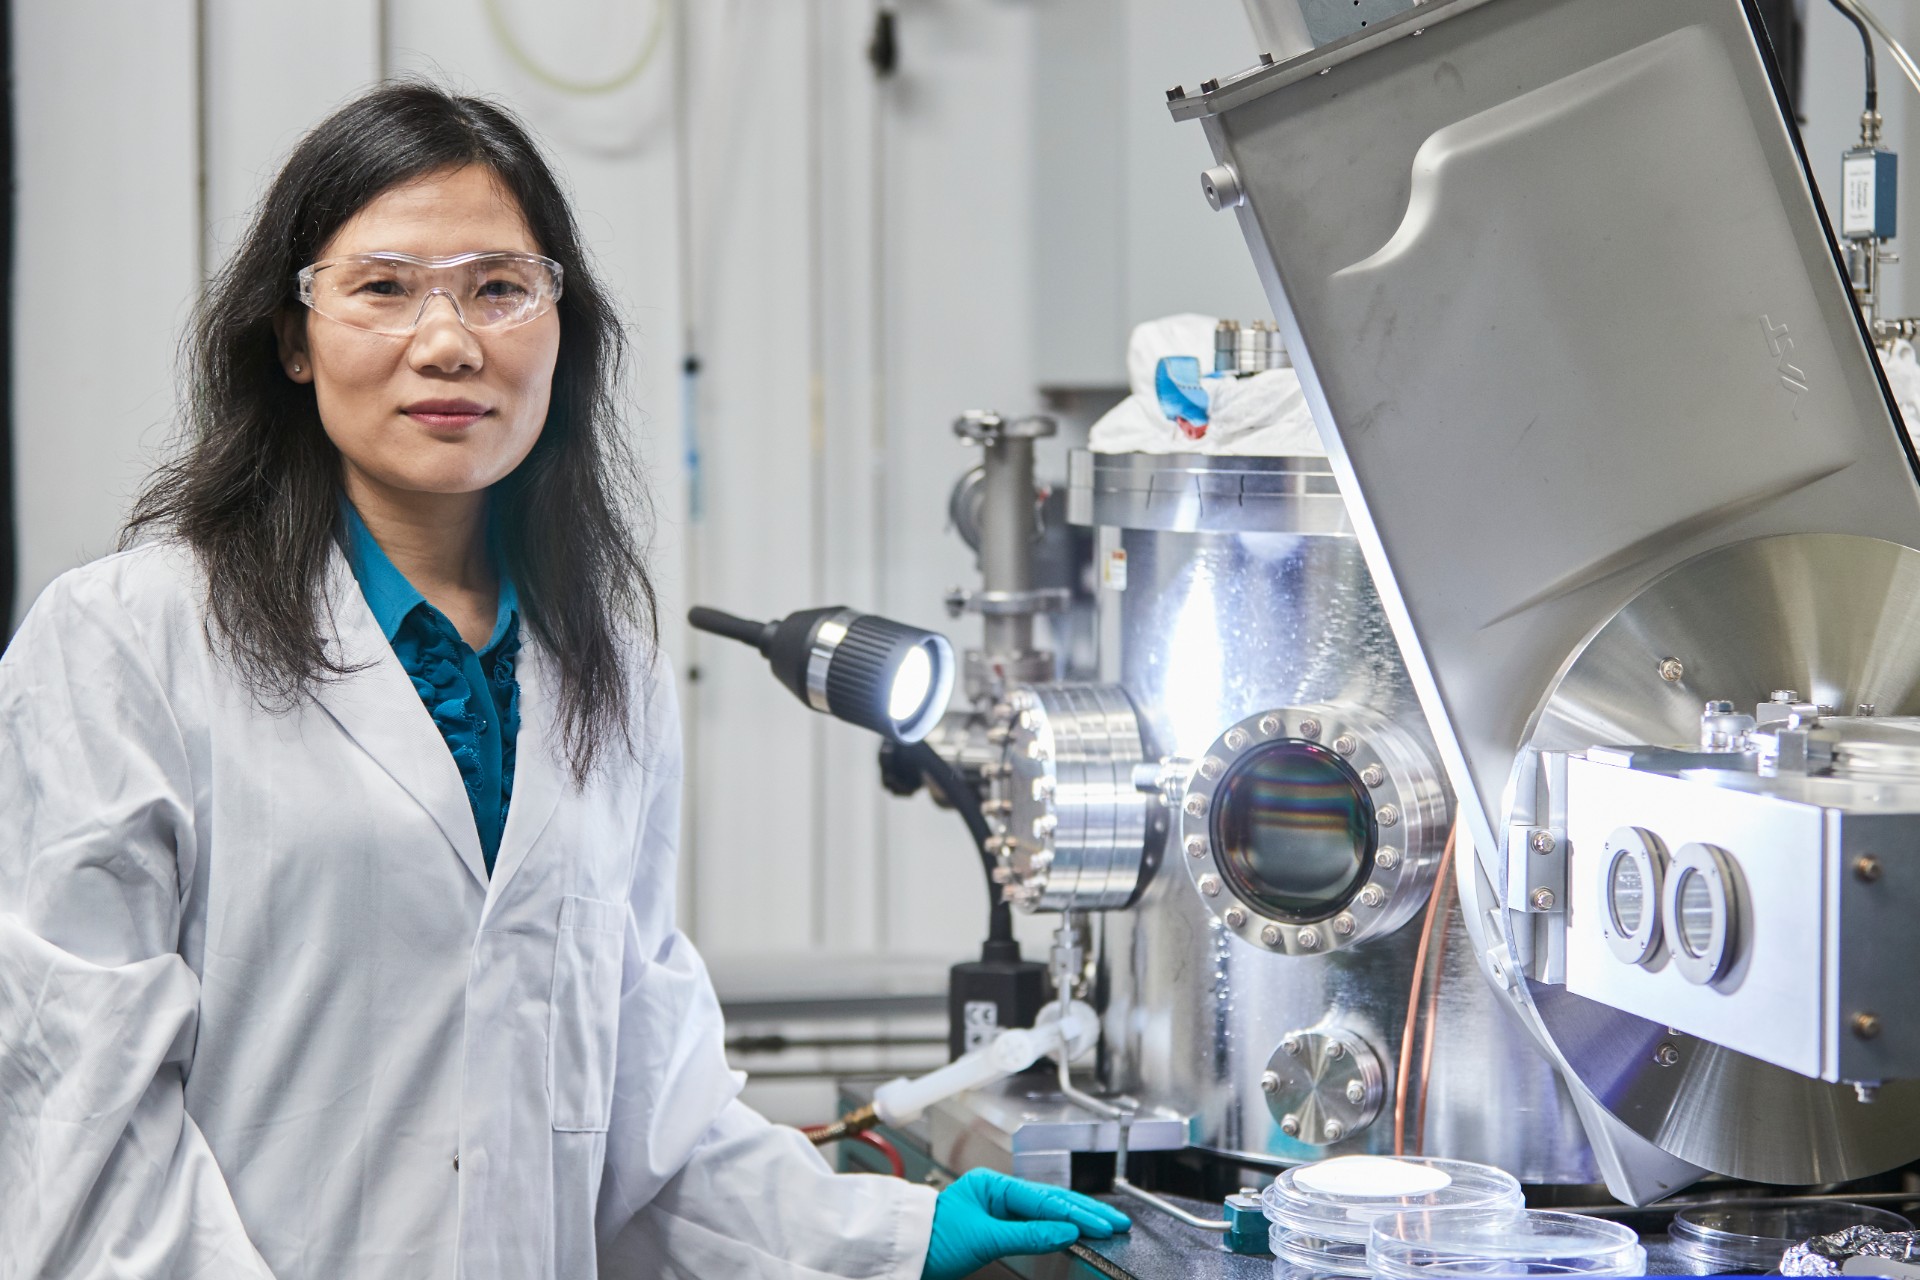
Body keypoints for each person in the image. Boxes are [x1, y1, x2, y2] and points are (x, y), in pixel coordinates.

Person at [0, 82, 1128, 1279]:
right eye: (383, 287)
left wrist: (894, 1231)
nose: (449, 341)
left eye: (499, 288)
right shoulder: (129, 641)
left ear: (560, 325)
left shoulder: (608, 674)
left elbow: (645, 1126)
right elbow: (81, 1116)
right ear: (293, 335)